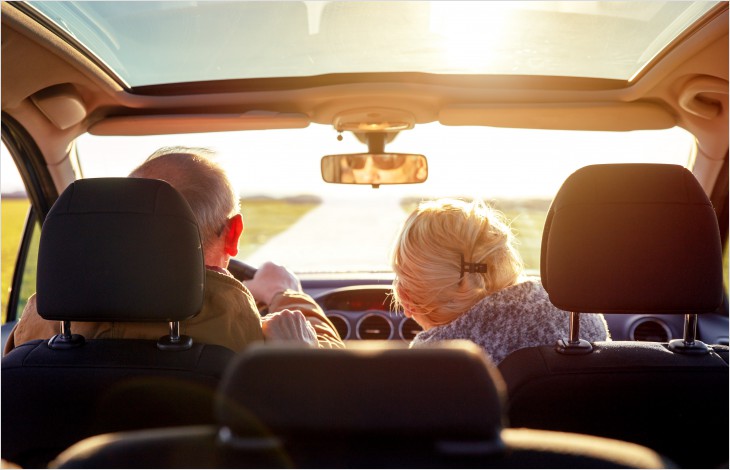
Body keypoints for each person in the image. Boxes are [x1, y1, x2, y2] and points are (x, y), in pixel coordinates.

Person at [4, 147, 343, 354]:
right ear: (233, 233)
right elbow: (337, 391)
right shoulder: (253, 336)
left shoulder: (40, 326)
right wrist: (287, 295)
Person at [390, 198, 608, 364]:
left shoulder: (434, 363)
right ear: (503, 257)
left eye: (402, 276)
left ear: (408, 301)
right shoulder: (579, 317)